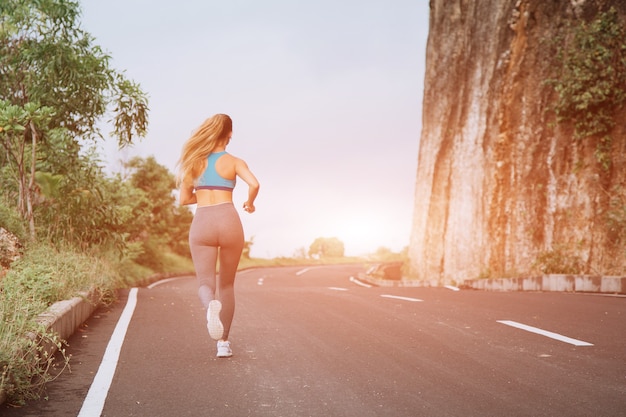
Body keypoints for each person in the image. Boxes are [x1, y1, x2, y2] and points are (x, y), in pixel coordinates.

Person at [176, 113, 259, 358]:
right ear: (230, 135)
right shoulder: (235, 162)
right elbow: (254, 184)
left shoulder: (194, 162)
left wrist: (201, 196)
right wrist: (250, 203)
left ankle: (210, 306)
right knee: (227, 284)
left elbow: (183, 200)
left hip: (203, 222)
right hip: (229, 220)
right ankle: (223, 343)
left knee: (205, 283)